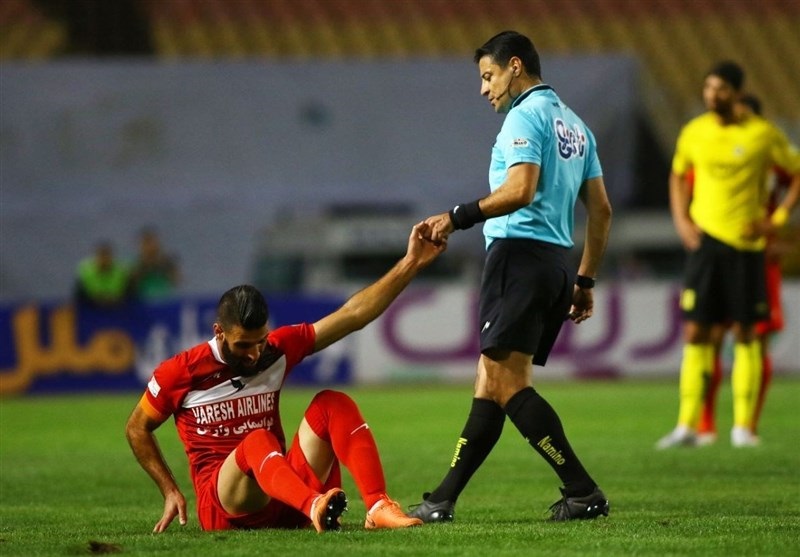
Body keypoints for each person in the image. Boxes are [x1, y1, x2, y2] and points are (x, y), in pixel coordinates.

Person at [409, 31, 613, 523]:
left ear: (515, 66)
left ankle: (582, 490)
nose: (484, 89)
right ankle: (442, 500)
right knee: (490, 382)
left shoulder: (525, 114)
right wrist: (584, 281)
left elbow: (520, 190)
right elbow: (602, 211)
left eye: (488, 76)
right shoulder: (576, 126)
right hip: (554, 264)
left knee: (505, 385)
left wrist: (455, 216)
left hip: (518, 259)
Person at [125, 222, 445, 533]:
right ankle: (314, 506)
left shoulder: (275, 351)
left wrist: (411, 263)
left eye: (260, 340)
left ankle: (377, 507)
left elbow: (353, 315)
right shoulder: (182, 370)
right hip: (226, 506)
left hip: (283, 492)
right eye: (243, 345)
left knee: (332, 403)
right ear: (219, 333)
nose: (253, 353)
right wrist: (169, 489)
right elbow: (137, 427)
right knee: (257, 439)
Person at [657, 62, 800, 449]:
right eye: (707, 87)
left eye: (719, 88)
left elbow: (796, 171)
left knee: (747, 333)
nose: (711, 95)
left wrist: (778, 219)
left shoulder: (762, 135)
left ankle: (743, 428)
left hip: (746, 247)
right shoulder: (694, 132)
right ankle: (687, 425)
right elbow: (677, 175)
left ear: (736, 92)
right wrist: (682, 222)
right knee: (697, 332)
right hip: (705, 245)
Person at [694, 95, 800, 446]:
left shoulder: (769, 156)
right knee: (711, 337)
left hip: (756, 260)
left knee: (754, 338)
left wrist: (777, 223)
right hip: (718, 253)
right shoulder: (713, 151)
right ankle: (705, 425)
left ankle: (747, 425)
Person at [74, 240, 131, 308]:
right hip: (91, 309)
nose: (104, 260)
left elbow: (127, 295)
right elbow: (79, 296)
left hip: (116, 309)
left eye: (107, 256)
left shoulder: (121, 272)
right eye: (101, 256)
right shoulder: (86, 272)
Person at [129, 226, 181, 301]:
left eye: (152, 242)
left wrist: (162, 267)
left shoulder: (167, 262)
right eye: (146, 243)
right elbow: (132, 286)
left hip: (165, 300)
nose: (149, 247)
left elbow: (177, 281)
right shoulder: (137, 265)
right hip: (144, 303)